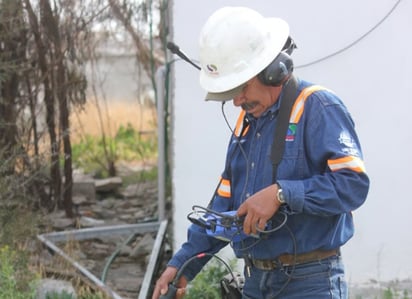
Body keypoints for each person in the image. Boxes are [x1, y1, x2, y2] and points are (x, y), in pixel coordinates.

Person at [153, 6, 369, 299]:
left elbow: (352, 186)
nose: (237, 100)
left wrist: (281, 194)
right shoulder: (246, 122)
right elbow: (224, 206)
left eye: (241, 87)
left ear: (273, 71)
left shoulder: (318, 107)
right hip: (255, 282)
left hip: (311, 283)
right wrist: (182, 265)